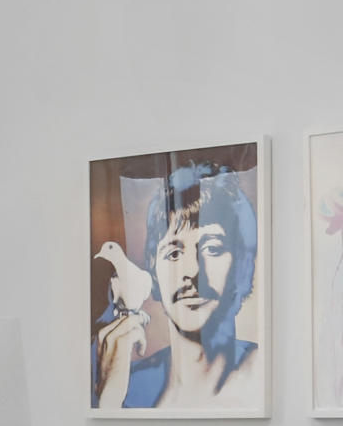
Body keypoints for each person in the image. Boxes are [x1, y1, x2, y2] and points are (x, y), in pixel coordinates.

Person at [93, 163, 259, 408]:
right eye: (173, 254)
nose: (192, 271)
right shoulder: (126, 386)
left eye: (212, 249)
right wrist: (107, 400)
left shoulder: (264, 375)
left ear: (241, 263)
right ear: (154, 272)